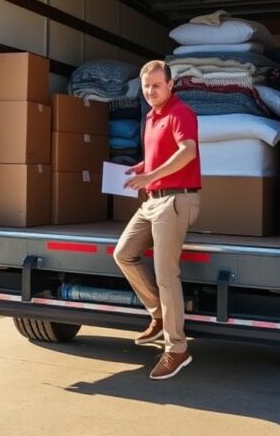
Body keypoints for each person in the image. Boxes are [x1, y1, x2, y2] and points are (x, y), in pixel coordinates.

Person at [112, 60, 201, 381]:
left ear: (171, 85)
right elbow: (158, 156)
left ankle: (177, 349)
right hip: (153, 200)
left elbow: (187, 152)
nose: (151, 91)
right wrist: (141, 168)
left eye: (157, 85)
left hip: (177, 199)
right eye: (147, 86)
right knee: (123, 253)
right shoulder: (150, 116)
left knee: (166, 274)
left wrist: (151, 174)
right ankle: (159, 314)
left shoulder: (180, 113)